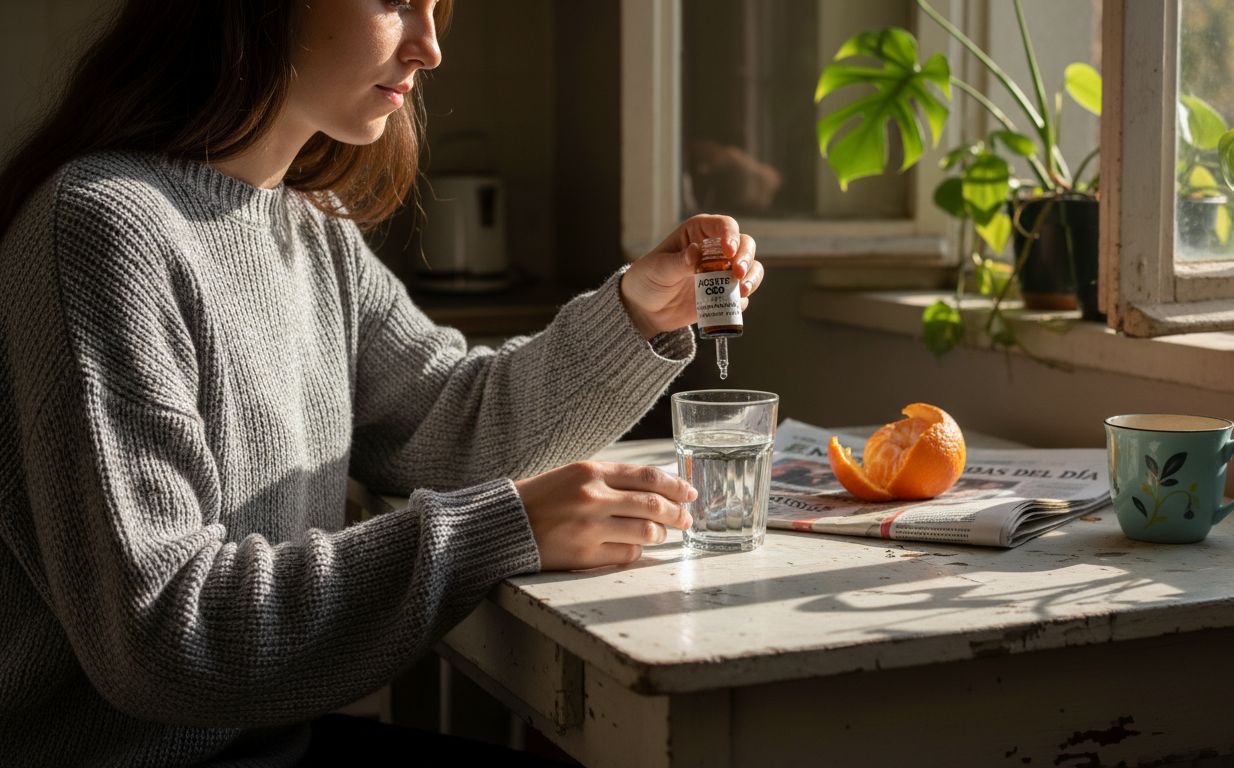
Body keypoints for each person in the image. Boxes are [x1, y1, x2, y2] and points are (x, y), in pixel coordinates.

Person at [0, 0, 764, 765]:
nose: (429, 49)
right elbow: (163, 635)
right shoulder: (105, 227)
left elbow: (451, 418)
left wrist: (638, 310)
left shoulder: (314, 227)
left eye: (438, 8)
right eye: (398, 2)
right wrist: (499, 530)